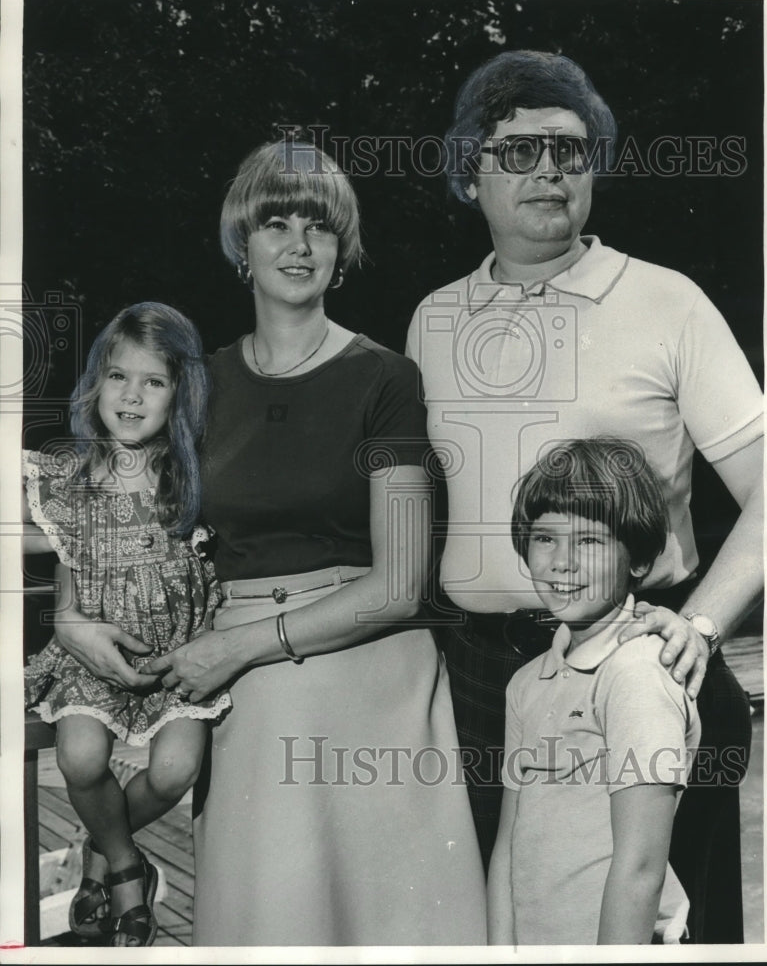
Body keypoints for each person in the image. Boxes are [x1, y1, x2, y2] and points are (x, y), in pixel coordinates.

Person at [56, 139, 487, 946]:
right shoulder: (197, 385)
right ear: (242, 247)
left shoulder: (386, 379)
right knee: (270, 928)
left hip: (372, 685)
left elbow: (402, 583)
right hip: (249, 695)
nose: (299, 244)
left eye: (318, 226)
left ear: (342, 249)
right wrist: (70, 618)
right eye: (276, 224)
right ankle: (114, 858)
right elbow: (107, 507)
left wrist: (237, 647)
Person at [405, 49, 763, 943]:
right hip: (484, 681)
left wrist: (703, 625)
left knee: (664, 928)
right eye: (519, 151)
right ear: (469, 175)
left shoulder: (668, 302)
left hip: (642, 667)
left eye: (570, 150)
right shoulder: (432, 320)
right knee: (510, 923)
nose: (550, 170)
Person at [22, 302, 230, 947]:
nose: (132, 396)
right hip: (92, 657)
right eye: (118, 376)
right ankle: (127, 869)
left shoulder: (195, 477)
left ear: (180, 394)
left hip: (176, 655)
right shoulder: (70, 479)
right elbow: (65, 578)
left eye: (153, 381)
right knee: (81, 758)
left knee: (174, 772)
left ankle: (101, 849)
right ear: (96, 383)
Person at [488, 437, 700, 945]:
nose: (562, 562)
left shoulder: (636, 674)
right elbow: (507, 848)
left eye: (588, 541)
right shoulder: (526, 682)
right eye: (545, 537)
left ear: (638, 561)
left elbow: (641, 868)